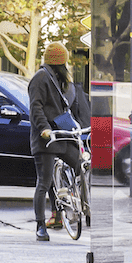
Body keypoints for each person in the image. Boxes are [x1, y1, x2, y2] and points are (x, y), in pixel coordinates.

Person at [28, 43, 90, 241]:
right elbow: (35, 107)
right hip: (46, 138)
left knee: (81, 165)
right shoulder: (40, 78)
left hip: (61, 134)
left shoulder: (58, 80)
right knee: (43, 182)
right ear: (60, 62)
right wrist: (44, 128)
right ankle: (40, 226)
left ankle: (83, 206)